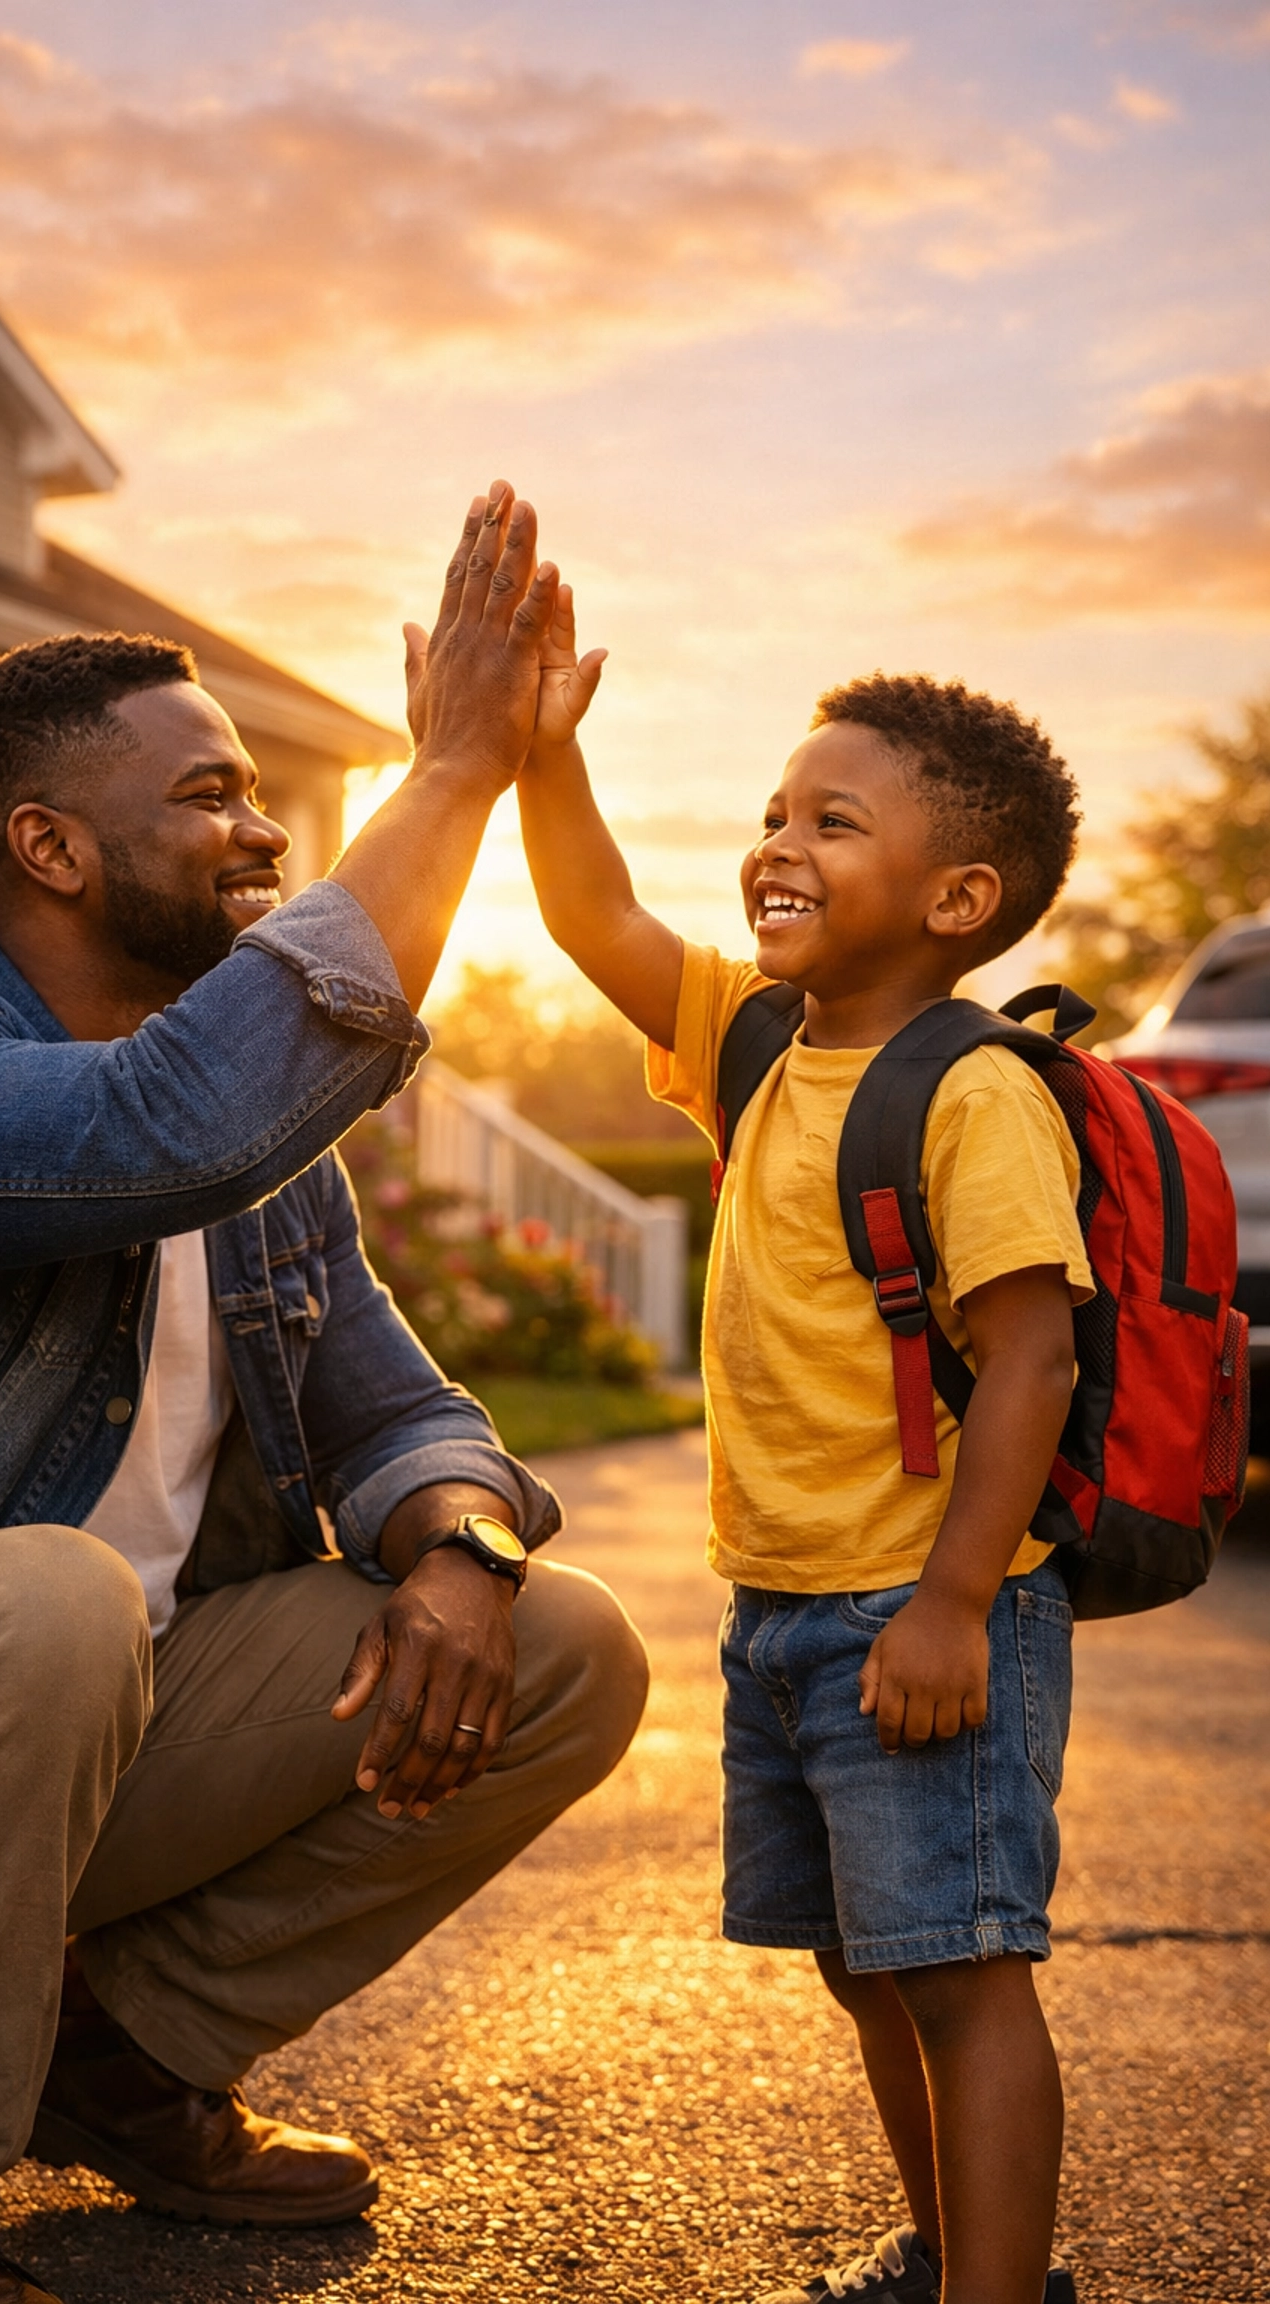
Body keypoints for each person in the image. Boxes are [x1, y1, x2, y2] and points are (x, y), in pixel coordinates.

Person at [0, 487, 648, 2304]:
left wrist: (463, 1544)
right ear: (52, 849)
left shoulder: (258, 1154)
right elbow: (158, 1129)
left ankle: (119, 2057)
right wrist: (455, 772)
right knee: (42, 1594)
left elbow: (400, 1409)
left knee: (566, 1641)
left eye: (258, 789)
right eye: (210, 798)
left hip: (86, 1742)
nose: (262, 832)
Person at [516, 601, 1090, 2304]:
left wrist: (951, 1604)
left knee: (967, 1972)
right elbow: (589, 912)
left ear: (957, 898)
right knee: (867, 1963)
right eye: (776, 811)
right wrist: (551, 754)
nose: (778, 843)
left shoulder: (974, 1093)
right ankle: (947, 2258)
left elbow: (1034, 1355)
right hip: (779, 1613)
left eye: (833, 821)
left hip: (916, 1616)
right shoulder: (759, 1044)